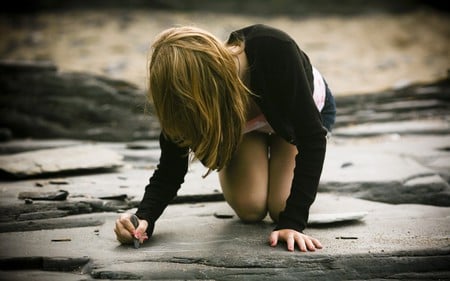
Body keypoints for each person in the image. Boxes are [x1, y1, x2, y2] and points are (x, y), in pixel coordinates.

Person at [114, 24, 336, 252]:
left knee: (281, 207)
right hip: (246, 130)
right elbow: (170, 169)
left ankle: (276, 159)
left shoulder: (275, 48)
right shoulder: (183, 99)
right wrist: (144, 219)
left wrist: (293, 223)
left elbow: (312, 139)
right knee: (251, 208)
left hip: (295, 121)